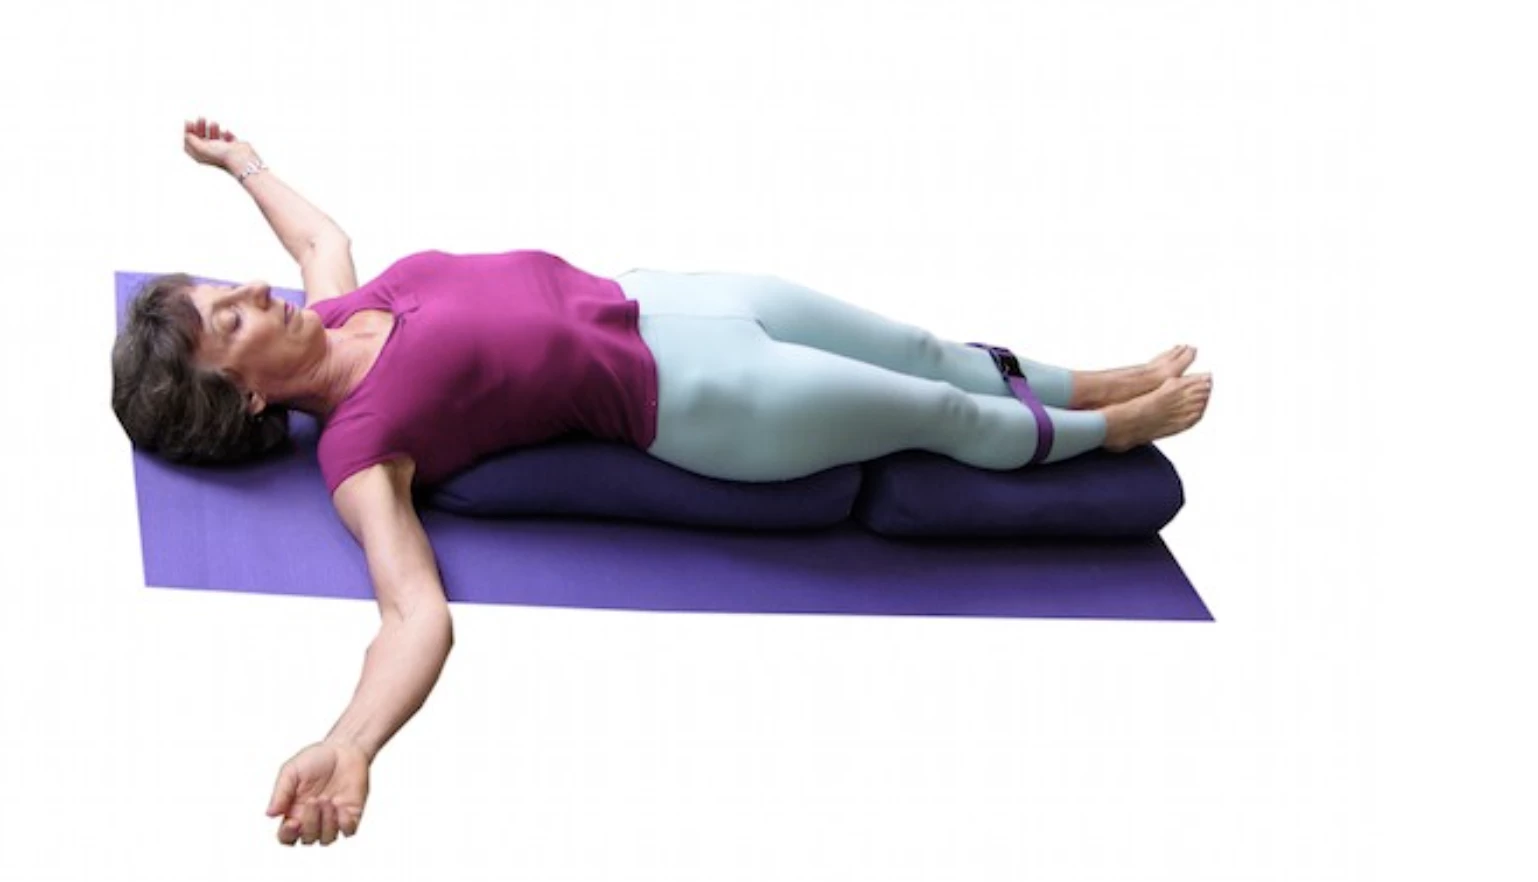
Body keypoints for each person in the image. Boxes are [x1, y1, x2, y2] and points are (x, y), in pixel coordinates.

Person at [112, 117, 1213, 847]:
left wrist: (240, 162)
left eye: (234, 288)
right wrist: (349, 743)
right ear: (244, 397)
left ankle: (1085, 375)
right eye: (230, 318)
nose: (256, 290)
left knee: (924, 347)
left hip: (669, 297)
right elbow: (414, 614)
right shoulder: (358, 449)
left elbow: (319, 232)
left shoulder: (340, 304)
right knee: (934, 414)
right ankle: (1105, 432)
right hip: (702, 404)